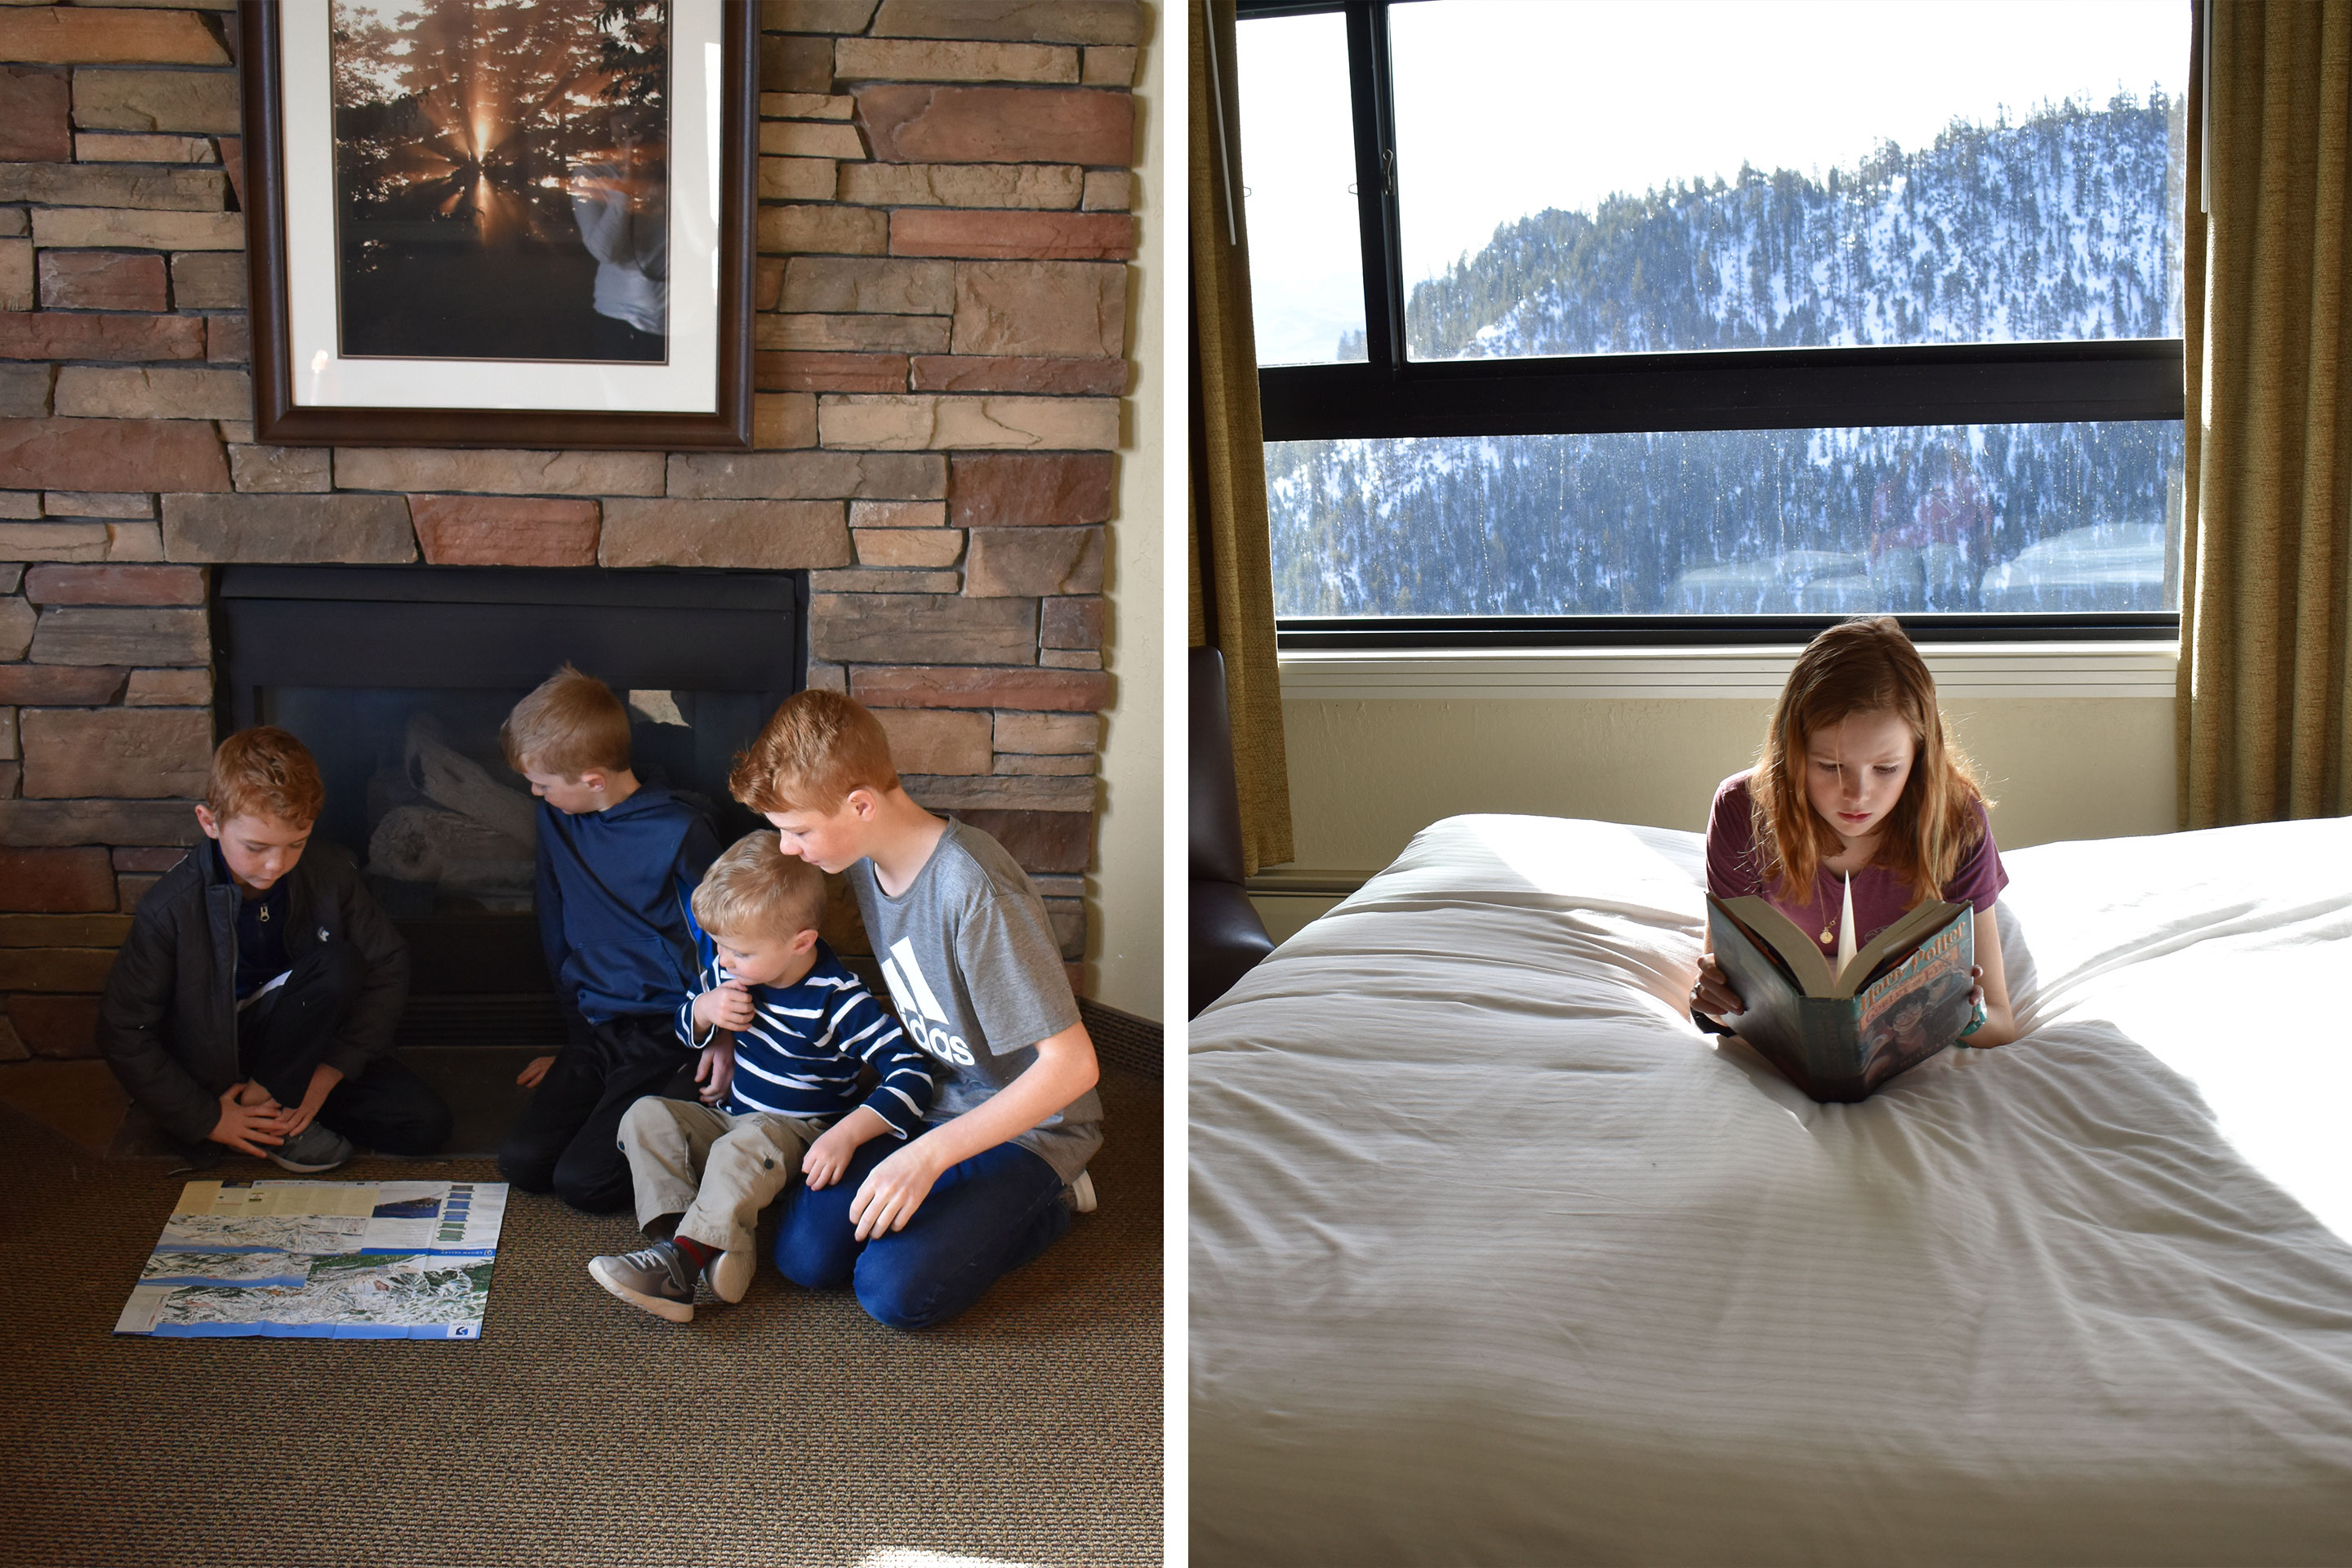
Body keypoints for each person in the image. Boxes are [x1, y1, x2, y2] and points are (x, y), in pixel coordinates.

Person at [728, 689, 1102, 1330]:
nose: (788, 848)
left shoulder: (975, 892)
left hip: (1036, 1124)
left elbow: (1073, 1068)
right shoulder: (863, 859)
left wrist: (927, 1158)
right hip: (936, 1098)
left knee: (894, 1292)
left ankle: (1053, 1201)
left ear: (861, 805)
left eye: (799, 831)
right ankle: (962, 1202)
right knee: (803, 1257)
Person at [586, 831, 933, 1323]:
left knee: (741, 1146)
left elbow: (912, 1073)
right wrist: (704, 1011)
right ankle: (685, 1246)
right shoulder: (731, 972)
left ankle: (678, 1272)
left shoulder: (837, 999)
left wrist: (848, 1134)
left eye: (739, 952)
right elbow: (685, 1025)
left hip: (797, 1134)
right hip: (733, 1117)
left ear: (801, 943)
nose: (724, 960)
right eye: (718, 946)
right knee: (645, 1115)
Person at [96, 727, 450, 1170]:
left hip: (307, 1049)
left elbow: (388, 963)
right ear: (210, 822)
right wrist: (208, 1117)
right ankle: (253, 1116)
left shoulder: (331, 872)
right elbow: (122, 1030)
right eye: (256, 847)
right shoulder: (170, 908)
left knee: (424, 1125)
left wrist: (329, 1073)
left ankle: (277, 1112)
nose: (276, 864)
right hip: (219, 1068)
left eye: (296, 844)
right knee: (337, 965)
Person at [1692, 616, 2019, 1051]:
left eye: (1886, 768)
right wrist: (1714, 1004)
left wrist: (1964, 1015)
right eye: (1830, 766)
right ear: (1793, 752)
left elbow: (2000, 1022)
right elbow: (1725, 1001)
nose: (1857, 795)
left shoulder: (1956, 820)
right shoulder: (1742, 810)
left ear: (1920, 758)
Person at [497, 665, 720, 1212]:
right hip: (599, 1029)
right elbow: (557, 927)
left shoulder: (681, 831)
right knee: (523, 1163)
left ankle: (694, 1119)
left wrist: (721, 1037)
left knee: (584, 1183)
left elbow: (726, 937)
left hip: (670, 1030)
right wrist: (574, 1041)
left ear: (594, 780)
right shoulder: (556, 821)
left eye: (543, 784)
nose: (534, 792)